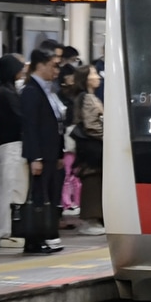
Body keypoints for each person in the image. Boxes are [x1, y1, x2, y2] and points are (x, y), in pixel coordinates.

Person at [19, 48, 65, 254]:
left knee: (45, 194)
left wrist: (59, 154)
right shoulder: (30, 91)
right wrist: (34, 157)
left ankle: (42, 236)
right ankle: (34, 240)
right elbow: (30, 126)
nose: (55, 70)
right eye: (52, 65)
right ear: (41, 65)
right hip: (40, 154)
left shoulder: (47, 90)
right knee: (37, 196)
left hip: (50, 153)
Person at [0, 54, 27, 248]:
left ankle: (9, 230)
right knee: (9, 188)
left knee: (12, 188)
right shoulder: (6, 93)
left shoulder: (6, 90)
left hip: (10, 145)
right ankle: (5, 232)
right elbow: (20, 117)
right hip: (11, 145)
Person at [71, 65, 105, 235]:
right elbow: (91, 125)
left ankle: (94, 218)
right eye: (94, 74)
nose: (98, 76)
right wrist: (106, 136)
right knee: (92, 179)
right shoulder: (87, 98)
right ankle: (90, 219)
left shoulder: (90, 97)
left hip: (92, 146)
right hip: (92, 147)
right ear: (86, 79)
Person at [58, 63, 81, 224]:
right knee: (67, 173)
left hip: (75, 134)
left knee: (75, 172)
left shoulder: (77, 94)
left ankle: (76, 202)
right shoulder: (60, 94)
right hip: (67, 136)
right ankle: (67, 203)